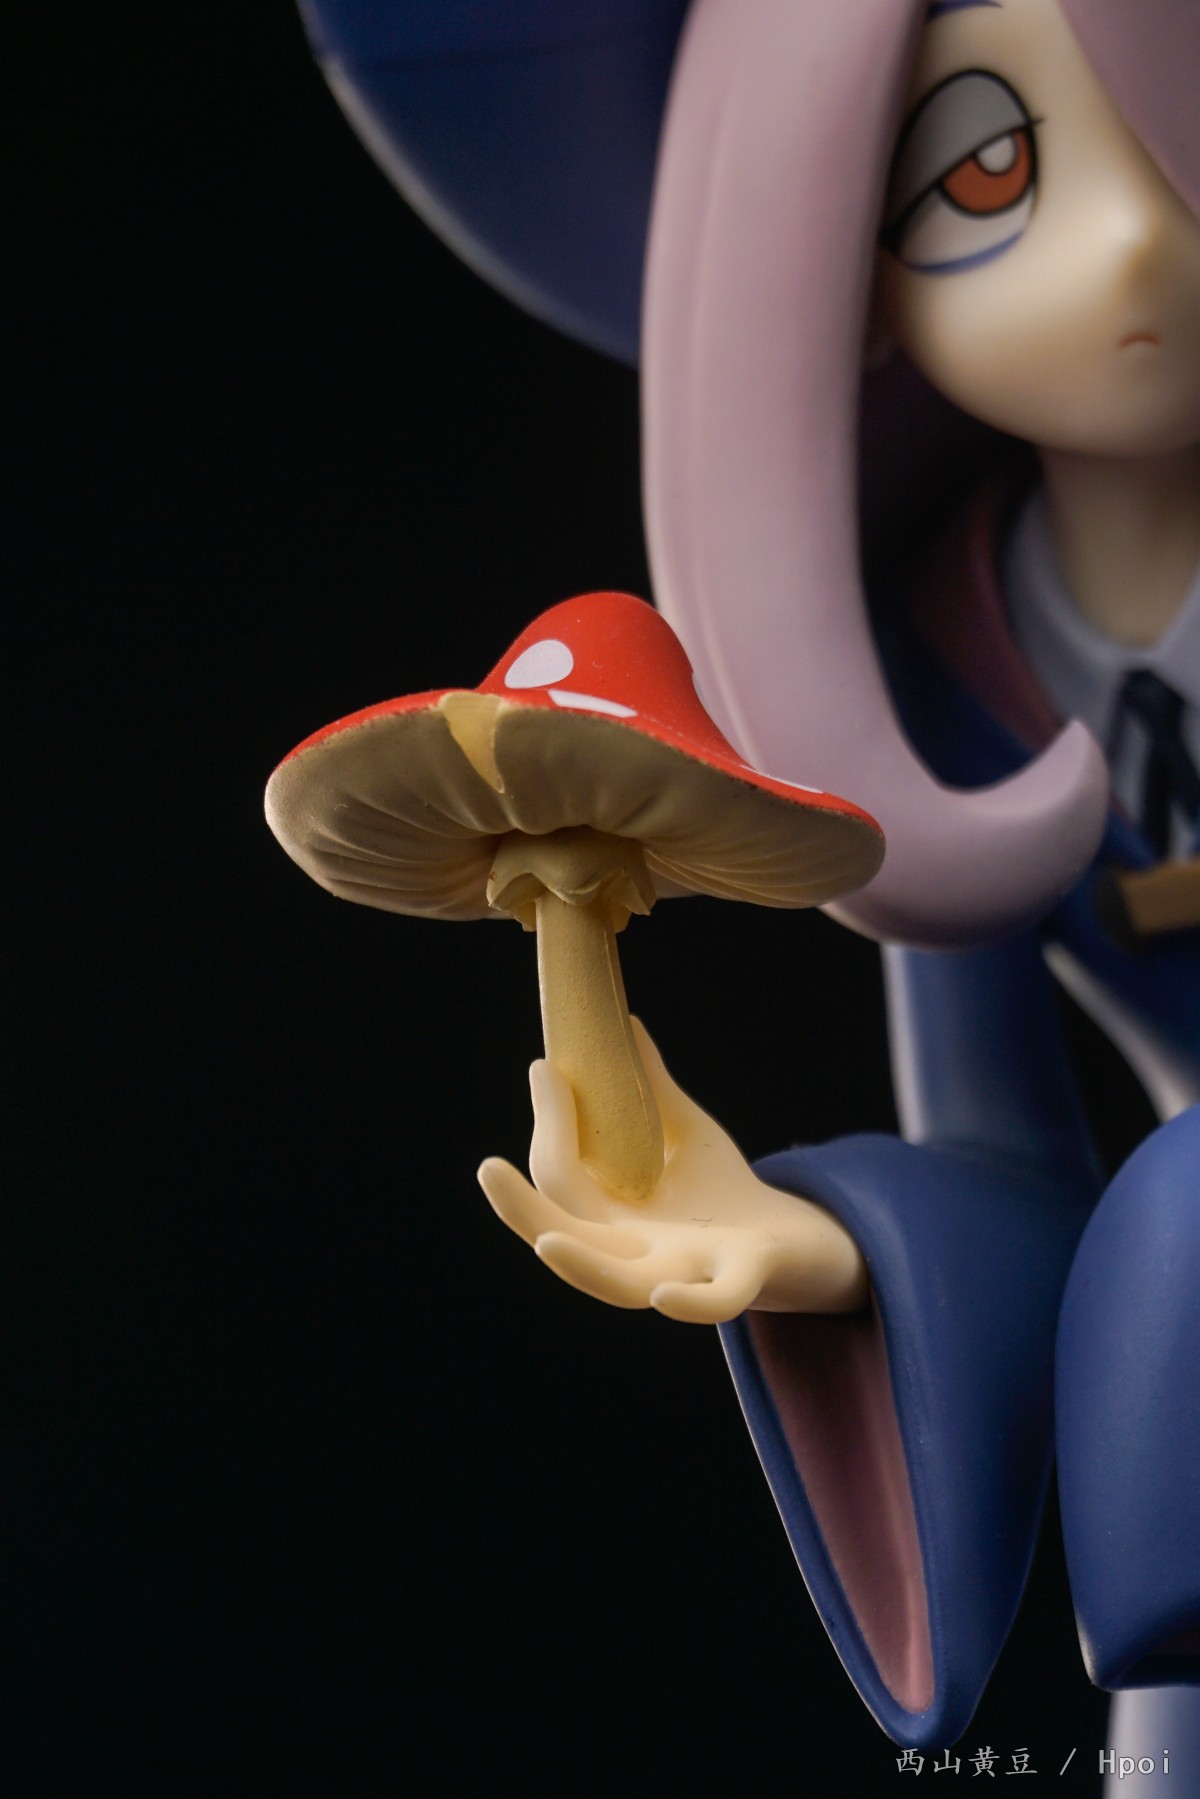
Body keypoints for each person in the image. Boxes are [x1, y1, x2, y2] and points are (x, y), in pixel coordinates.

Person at [294, 0, 1200, 1762]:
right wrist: (819, 1244)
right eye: (983, 170)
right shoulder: (963, 668)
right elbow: (1010, 1158)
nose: (1131, 242)